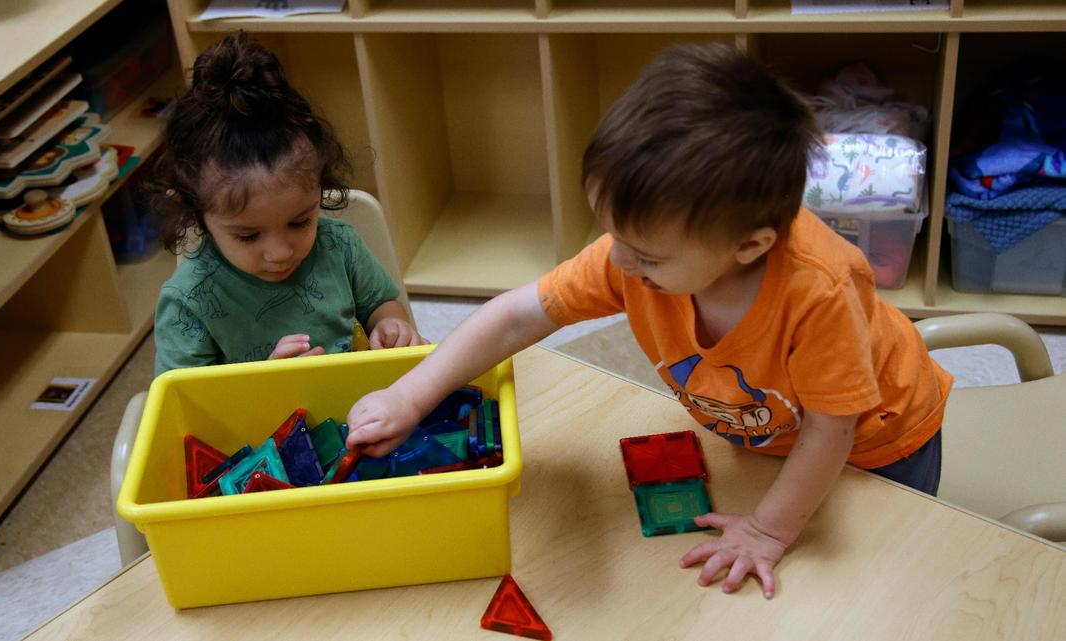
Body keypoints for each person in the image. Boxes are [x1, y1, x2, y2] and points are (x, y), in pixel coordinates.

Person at [343, 43, 951, 599]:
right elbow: (513, 318)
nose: (620, 263)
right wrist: (411, 395)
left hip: (879, 440)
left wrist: (767, 531)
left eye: (646, 254)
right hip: (771, 433)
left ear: (748, 245)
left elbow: (830, 433)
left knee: (872, 587)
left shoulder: (818, 293)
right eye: (613, 236)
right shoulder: (636, 256)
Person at [148, 33, 425, 376]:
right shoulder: (188, 303)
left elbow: (381, 304)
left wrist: (390, 325)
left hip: (359, 406)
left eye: (299, 222)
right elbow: (184, 403)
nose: (280, 253)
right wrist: (270, 384)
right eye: (248, 236)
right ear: (199, 215)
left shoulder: (339, 245)